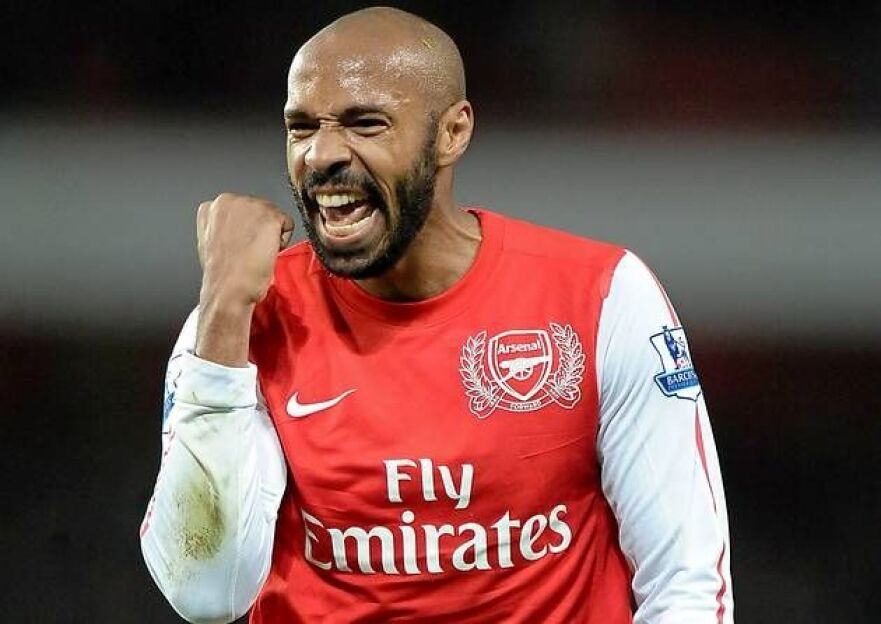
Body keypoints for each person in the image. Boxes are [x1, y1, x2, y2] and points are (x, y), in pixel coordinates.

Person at [140, 7, 733, 623]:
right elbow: (206, 591)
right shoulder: (246, 318)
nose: (320, 154)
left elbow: (687, 585)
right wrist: (223, 312)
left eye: (365, 124)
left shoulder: (600, 298)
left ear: (452, 133)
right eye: (301, 127)